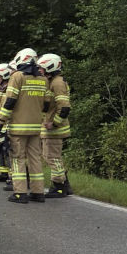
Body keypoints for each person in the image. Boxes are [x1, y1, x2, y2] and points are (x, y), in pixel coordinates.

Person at [0, 48, 51, 204]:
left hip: (18, 127)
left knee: (17, 159)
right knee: (35, 159)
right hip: (35, 128)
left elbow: (10, 102)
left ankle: (20, 193)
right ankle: (38, 192)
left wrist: (0, 121)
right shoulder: (43, 80)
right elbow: (46, 105)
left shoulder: (17, 77)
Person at [38, 53, 73, 197]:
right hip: (51, 127)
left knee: (52, 157)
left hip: (54, 129)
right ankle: (65, 185)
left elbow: (64, 107)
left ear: (49, 66)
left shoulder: (57, 83)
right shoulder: (53, 81)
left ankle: (59, 187)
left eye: (41, 68)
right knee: (51, 156)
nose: (39, 71)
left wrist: (54, 123)